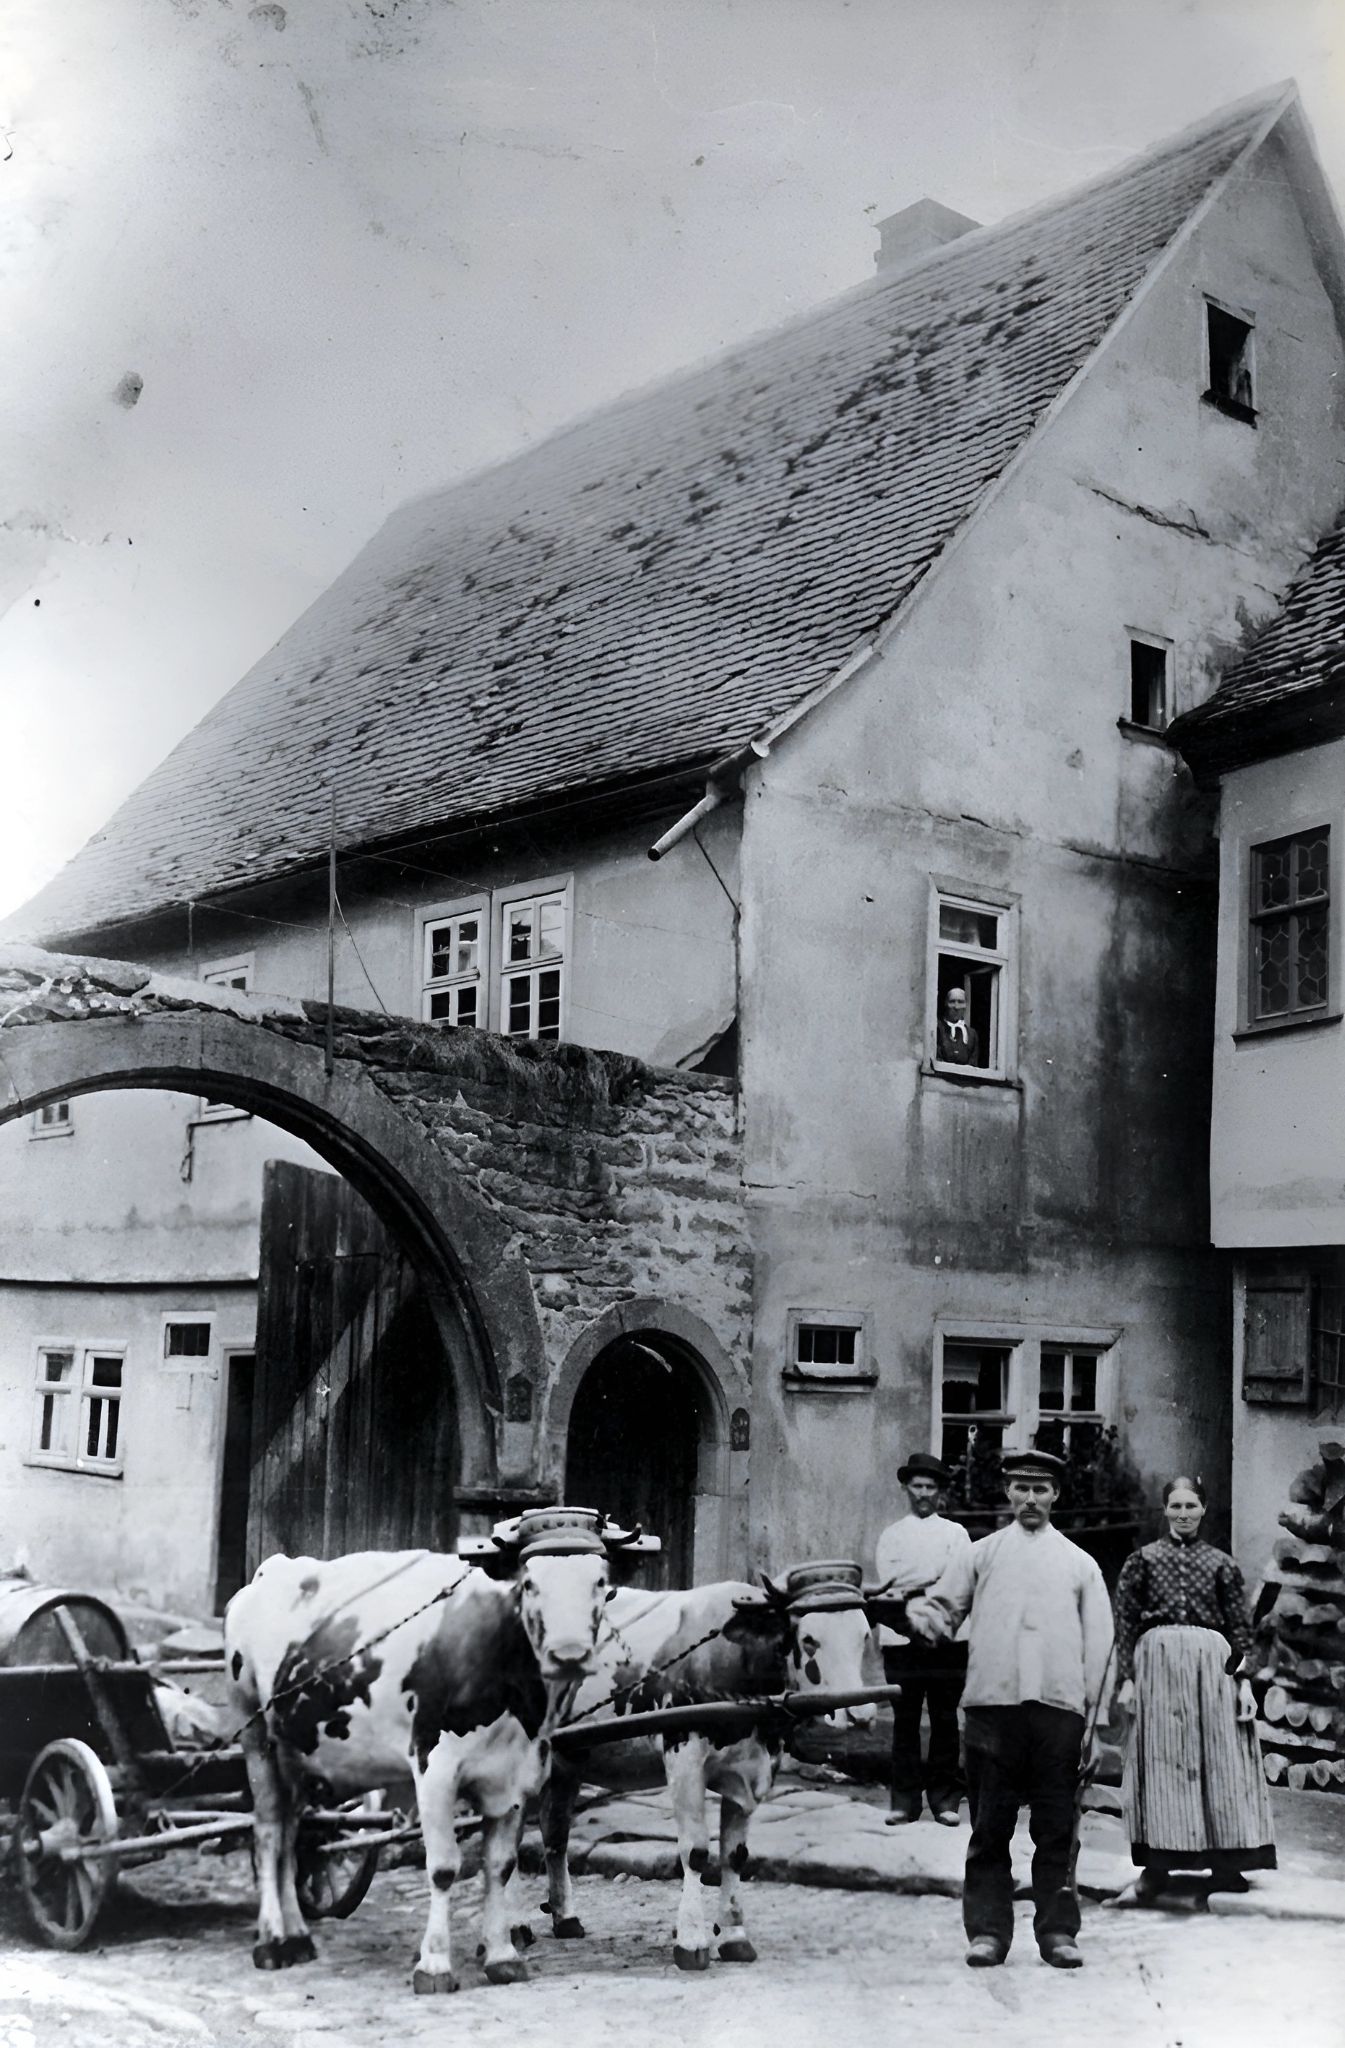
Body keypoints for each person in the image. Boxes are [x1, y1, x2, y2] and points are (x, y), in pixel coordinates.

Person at [906, 1447, 1114, 1971]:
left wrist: (1095, 1723)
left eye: (1040, 1489)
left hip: (1060, 1712)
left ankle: (1058, 1931)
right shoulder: (980, 1554)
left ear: (1056, 1495)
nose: (1029, 1498)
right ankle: (988, 1932)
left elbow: (1101, 1648)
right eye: (1020, 1488)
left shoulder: (1080, 1565)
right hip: (992, 1709)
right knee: (990, 1827)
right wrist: (917, 1616)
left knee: (1057, 1828)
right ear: (1007, 1492)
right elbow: (943, 1609)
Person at [1112, 1475, 1275, 1901]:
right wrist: (1127, 1679)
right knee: (1161, 1760)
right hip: (1157, 1665)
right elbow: (1126, 1624)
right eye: (1175, 1506)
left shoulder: (1221, 1563)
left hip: (1212, 1666)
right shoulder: (1142, 1561)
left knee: (1220, 1759)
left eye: (1191, 1506)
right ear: (1165, 1510)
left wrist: (1243, 1684)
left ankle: (1226, 1864)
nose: (1183, 1514)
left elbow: (1241, 1628)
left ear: (1203, 1509)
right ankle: (1157, 1867)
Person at [873, 1451, 970, 1825]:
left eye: (931, 1486)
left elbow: (957, 1584)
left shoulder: (956, 1534)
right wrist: (929, 1581)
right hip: (902, 1638)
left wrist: (926, 1587)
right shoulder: (892, 1536)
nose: (924, 1493)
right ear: (906, 1488)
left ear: (940, 1491)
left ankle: (945, 1800)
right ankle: (904, 1802)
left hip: (947, 1639)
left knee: (945, 1719)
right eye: (918, 1486)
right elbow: (892, 1587)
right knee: (905, 1720)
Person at [936, 985, 980, 1066]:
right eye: (952, 1001)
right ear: (946, 1003)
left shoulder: (971, 1034)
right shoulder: (937, 1028)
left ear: (965, 1005)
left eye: (960, 1002)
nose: (956, 1007)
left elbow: (973, 1065)